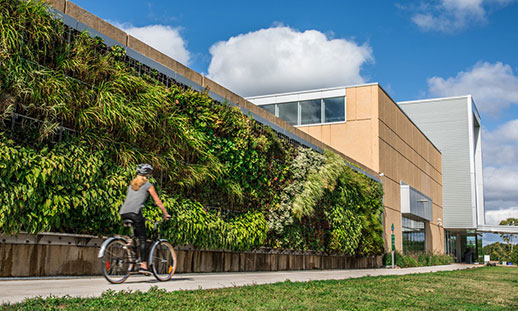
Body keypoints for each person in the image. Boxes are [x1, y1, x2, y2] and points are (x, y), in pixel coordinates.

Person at [119, 163, 170, 273]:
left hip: (124, 212)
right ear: (148, 174)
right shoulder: (148, 185)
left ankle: (130, 246)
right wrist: (165, 213)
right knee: (143, 239)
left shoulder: (131, 185)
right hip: (135, 213)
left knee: (136, 234)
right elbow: (157, 201)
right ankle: (143, 265)